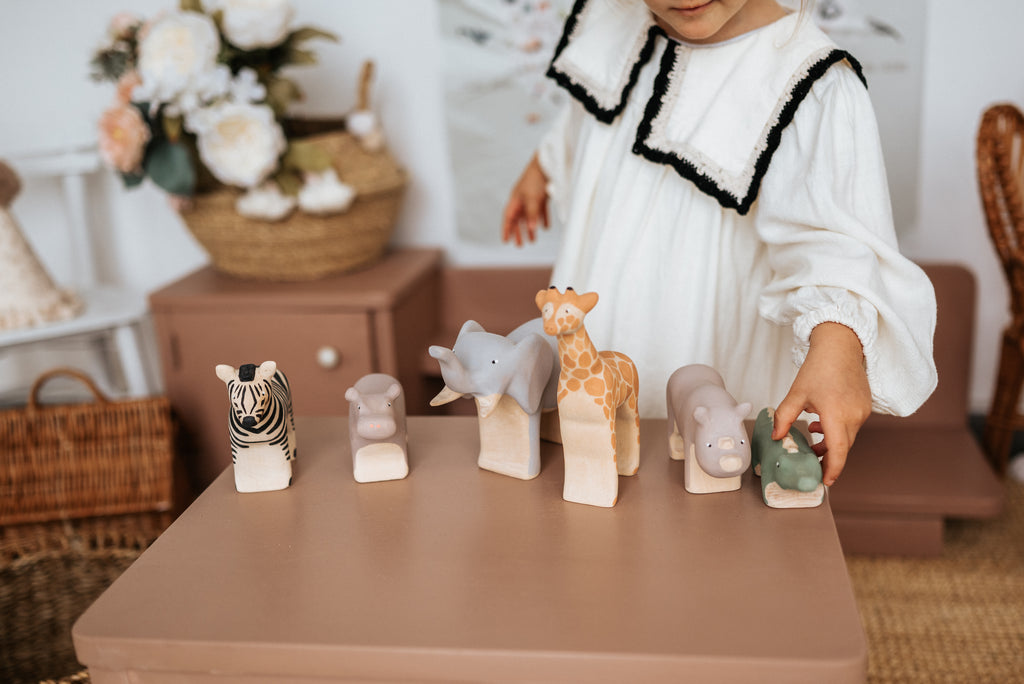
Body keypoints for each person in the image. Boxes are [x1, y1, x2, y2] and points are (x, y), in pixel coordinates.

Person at [501, 0, 937, 487]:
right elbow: (588, 117)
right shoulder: (615, 20)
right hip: (603, 304)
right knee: (596, 468)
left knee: (704, 479)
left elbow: (835, 242)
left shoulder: (808, 79)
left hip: (712, 335)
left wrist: (837, 341)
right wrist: (544, 166)